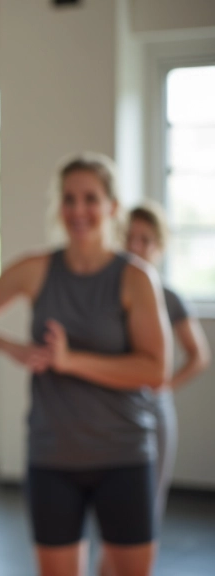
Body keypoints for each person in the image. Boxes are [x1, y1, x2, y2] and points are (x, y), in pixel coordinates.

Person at [0, 153, 170, 576]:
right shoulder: (36, 269)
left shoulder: (135, 278)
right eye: (69, 199)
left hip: (123, 455)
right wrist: (14, 348)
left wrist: (71, 361)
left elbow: (154, 370)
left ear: (112, 207)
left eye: (90, 198)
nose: (78, 210)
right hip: (52, 457)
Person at [102, 202, 210, 571]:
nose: (135, 246)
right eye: (129, 238)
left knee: (144, 511)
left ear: (158, 247)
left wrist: (162, 387)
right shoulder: (107, 289)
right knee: (108, 512)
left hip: (150, 413)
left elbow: (198, 354)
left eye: (145, 240)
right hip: (111, 413)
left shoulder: (169, 295)